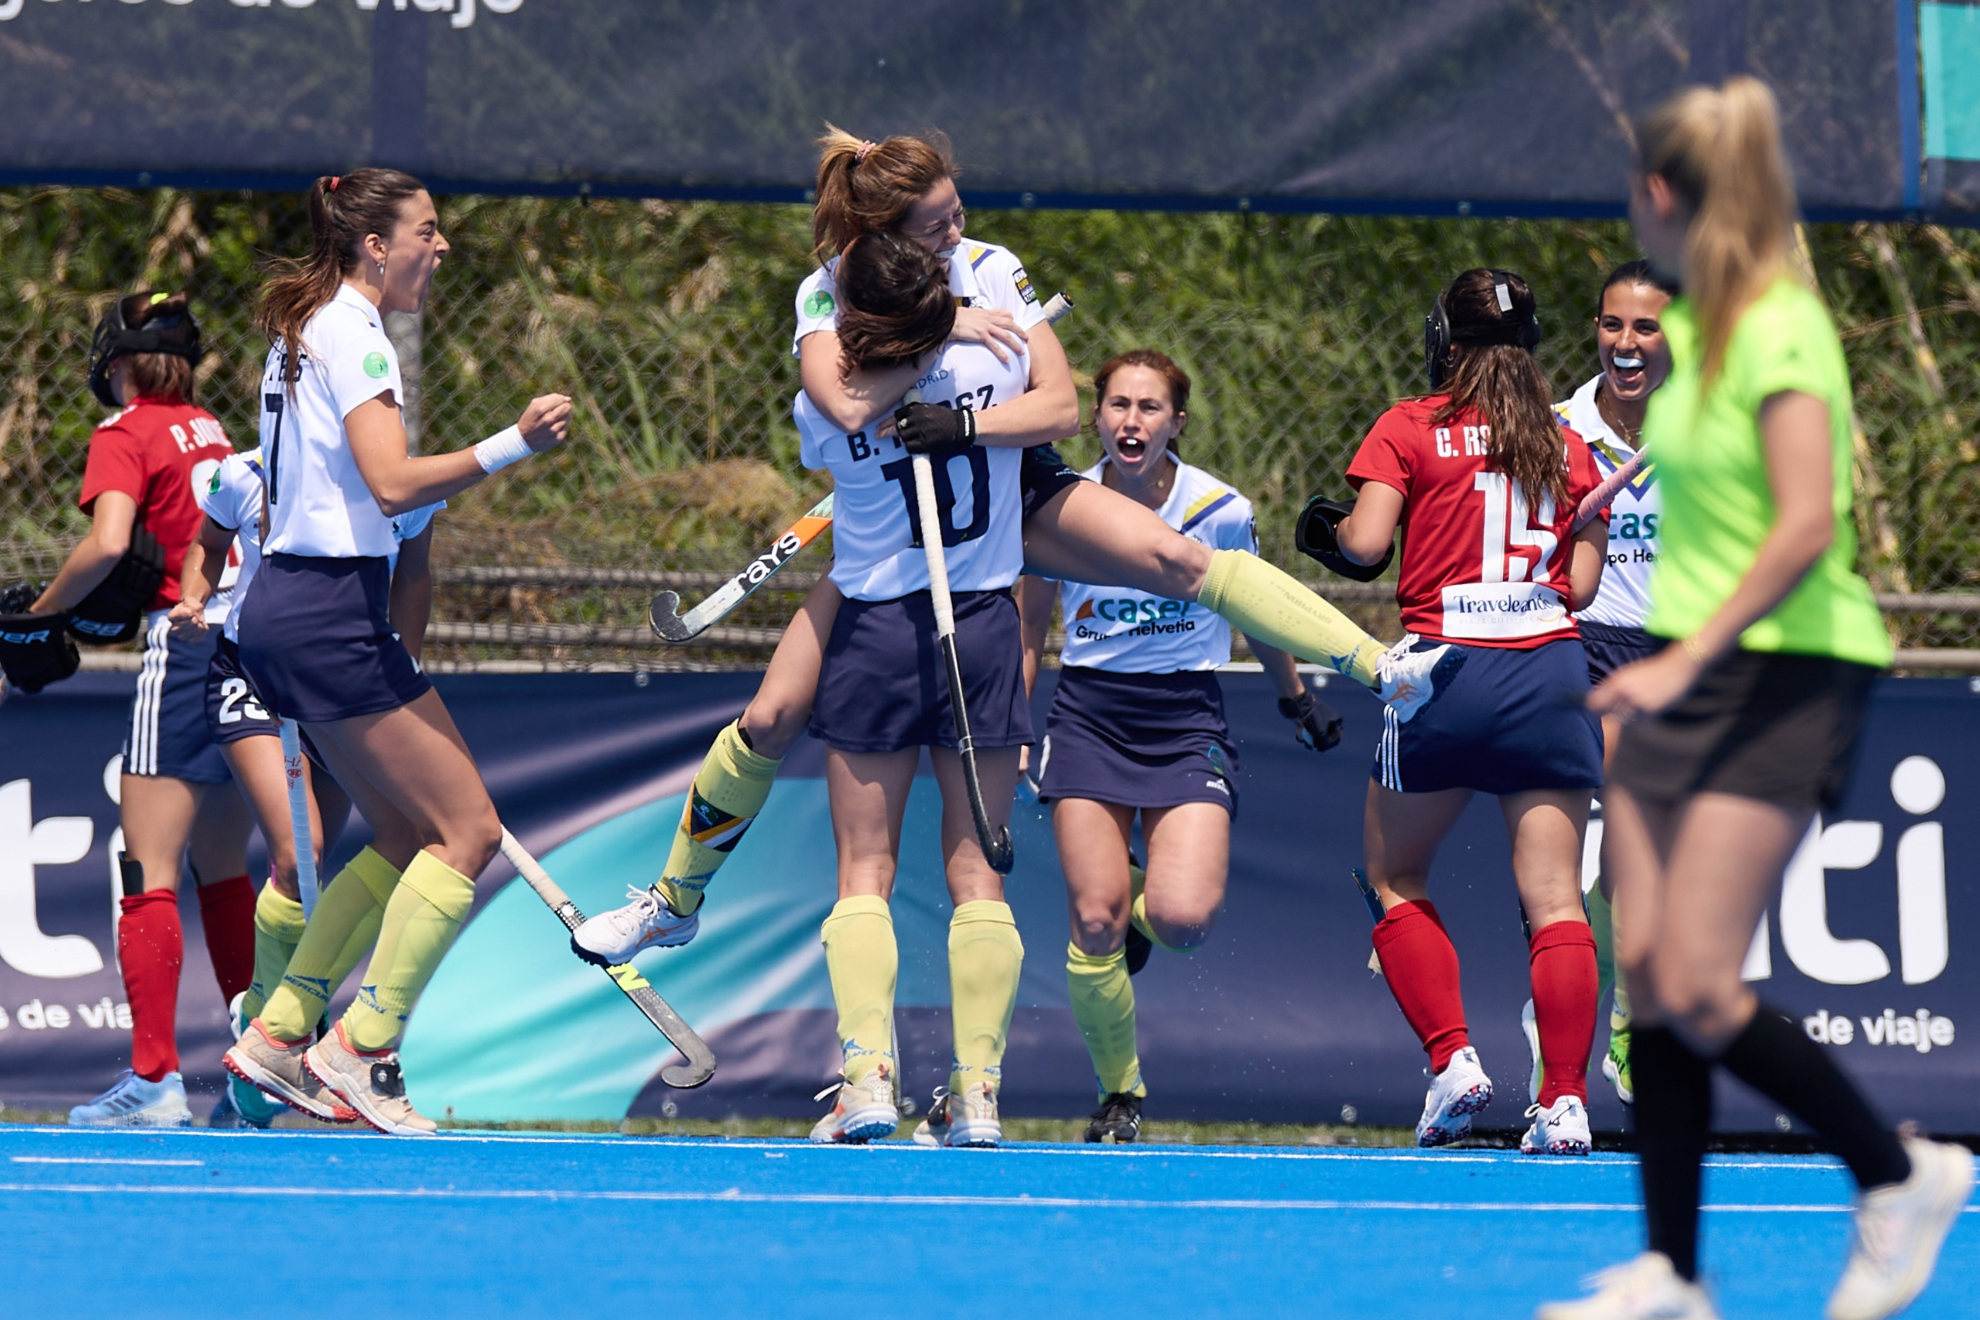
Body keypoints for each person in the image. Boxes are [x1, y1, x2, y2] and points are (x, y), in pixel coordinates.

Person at [570, 126, 1457, 970]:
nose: (958, 232)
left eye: (958, 210)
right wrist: (938, 329)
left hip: (1011, 488)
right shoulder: (826, 290)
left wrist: (962, 421)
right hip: (890, 530)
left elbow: (1061, 408)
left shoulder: (995, 268)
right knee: (768, 718)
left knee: (1182, 561)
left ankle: (1383, 667)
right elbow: (842, 406)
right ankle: (673, 904)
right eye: (936, 224)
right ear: (886, 234)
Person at [1540, 78, 1974, 1320]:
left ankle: (1903, 1173)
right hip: (1683, 667)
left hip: (1785, 668)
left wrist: (1681, 659)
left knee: (1698, 978)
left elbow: (1801, 528)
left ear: (1664, 196)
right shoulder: (1704, 336)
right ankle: (1672, 1271)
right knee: (1653, 967)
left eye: (1638, 186)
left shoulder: (1784, 327)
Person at [217, 167, 572, 1136]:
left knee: (410, 835)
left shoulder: (312, 326)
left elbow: (357, 485)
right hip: (324, 607)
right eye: (428, 229)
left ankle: (281, 1032)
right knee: (467, 831)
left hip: (297, 607)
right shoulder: (353, 331)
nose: (441, 244)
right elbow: (388, 484)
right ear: (376, 243)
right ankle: (361, 1048)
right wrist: (513, 443)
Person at [1017, 349, 1341, 1144]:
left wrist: (1293, 695)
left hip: (1187, 717)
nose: (1132, 422)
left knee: (1182, 917)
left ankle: (1138, 899)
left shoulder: (1220, 509)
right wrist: (1014, 727)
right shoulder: (1063, 501)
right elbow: (1028, 625)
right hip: (1088, 715)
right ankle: (1120, 1095)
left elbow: (1256, 607)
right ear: (1095, 417)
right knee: (1093, 921)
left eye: (1150, 408)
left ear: (1178, 423)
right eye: (1118, 406)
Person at [793, 228, 1068, 1147]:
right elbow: (1053, 406)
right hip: (985, 622)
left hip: (877, 625)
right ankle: (978, 1091)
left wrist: (914, 356)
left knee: (863, 867)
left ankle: (868, 1077)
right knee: (976, 870)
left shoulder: (832, 400)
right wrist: (959, 353)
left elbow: (836, 401)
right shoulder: (996, 369)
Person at [1330, 268, 1608, 1157]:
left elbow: (1365, 547)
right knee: (1558, 900)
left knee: (1394, 875)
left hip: (1445, 669)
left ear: (1445, 340)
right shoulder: (1565, 442)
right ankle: (1563, 1100)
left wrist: (1325, 528)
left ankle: (1454, 1062)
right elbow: (1584, 585)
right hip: (1549, 668)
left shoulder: (1412, 425)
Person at [18, 292, 262, 1128]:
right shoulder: (212, 428)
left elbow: (111, 544)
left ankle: (155, 1080)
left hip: (186, 640)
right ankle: (255, 1073)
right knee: (225, 869)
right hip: (250, 640)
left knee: (146, 866)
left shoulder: (126, 433)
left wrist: (36, 616)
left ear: (118, 364)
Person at [174, 443, 442, 1127]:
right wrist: (194, 597)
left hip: (343, 677)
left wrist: (403, 671)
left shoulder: (397, 479)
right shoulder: (243, 473)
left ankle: (272, 1032)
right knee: (300, 852)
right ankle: (269, 1022)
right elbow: (206, 545)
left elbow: (414, 574)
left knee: (388, 843)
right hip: (250, 670)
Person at [1521, 259, 1678, 1110]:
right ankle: (1582, 1022)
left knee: (1636, 863)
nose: (1625, 343)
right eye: (1612, 324)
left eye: (1645, 328)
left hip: (1685, 651)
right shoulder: (1554, 428)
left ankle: (1591, 993)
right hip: (1588, 644)